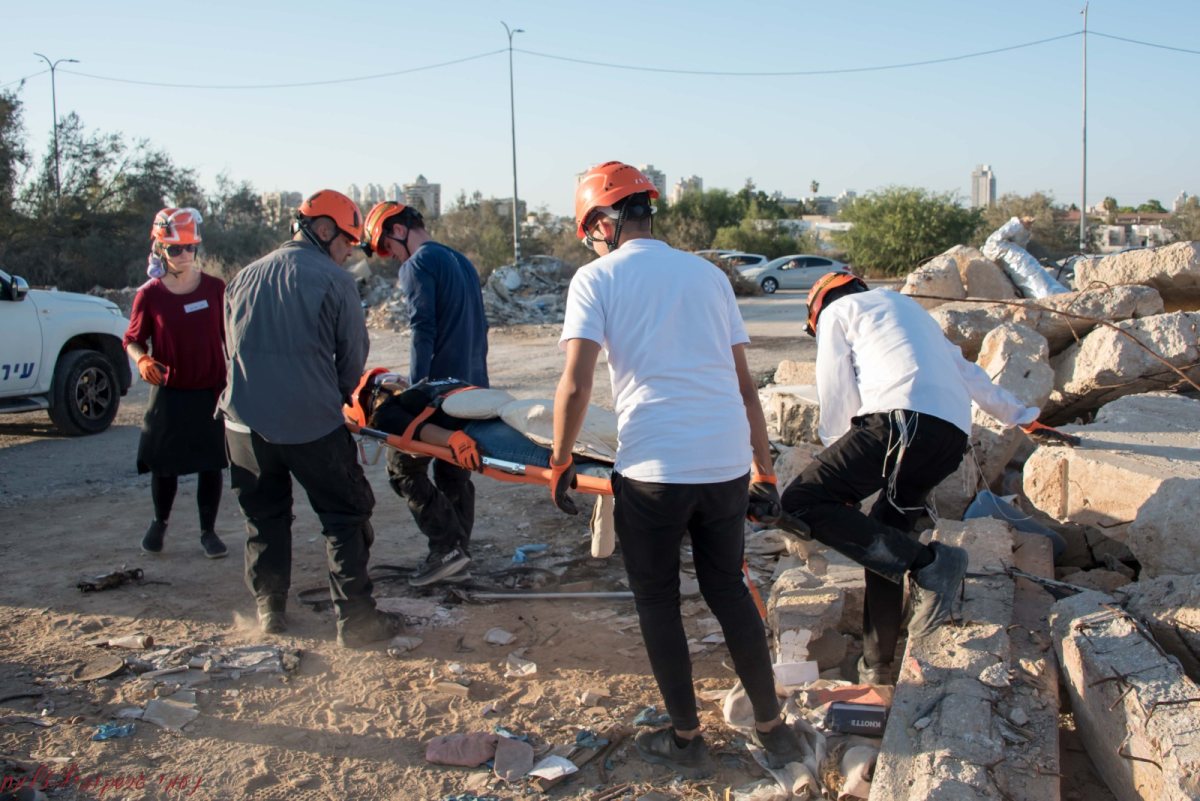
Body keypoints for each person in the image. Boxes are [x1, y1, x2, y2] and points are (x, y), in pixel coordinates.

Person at [550, 161, 805, 778]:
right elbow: (745, 388)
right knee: (727, 589)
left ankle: (687, 739)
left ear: (605, 221)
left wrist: (558, 462)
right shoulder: (709, 276)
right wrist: (763, 472)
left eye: (591, 230)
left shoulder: (595, 280)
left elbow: (577, 384)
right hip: (722, 466)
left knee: (658, 600)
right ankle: (774, 730)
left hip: (653, 470)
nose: (592, 242)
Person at [780, 271, 1055, 685]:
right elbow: (970, 374)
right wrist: (1023, 418)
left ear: (818, 308)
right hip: (948, 437)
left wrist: (843, 466)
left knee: (799, 501)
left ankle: (935, 562)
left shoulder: (839, 311)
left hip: (897, 425)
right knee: (886, 544)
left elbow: (835, 389)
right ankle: (879, 666)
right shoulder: (912, 311)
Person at [219, 190, 401, 648]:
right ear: (323, 230)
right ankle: (357, 623)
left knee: (263, 517)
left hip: (242, 425)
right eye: (346, 242)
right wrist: (338, 397)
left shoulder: (241, 278)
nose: (347, 253)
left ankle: (269, 611)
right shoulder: (334, 281)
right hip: (311, 425)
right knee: (345, 515)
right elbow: (352, 359)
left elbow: (230, 350)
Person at [360, 201, 489, 586]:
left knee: (403, 467)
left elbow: (423, 329)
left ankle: (446, 546)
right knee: (454, 471)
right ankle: (458, 553)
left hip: (441, 391)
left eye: (388, 246)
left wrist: (416, 391)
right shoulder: (460, 261)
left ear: (398, 230)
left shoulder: (417, 264)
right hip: (472, 388)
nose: (391, 256)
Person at [123, 207, 229, 559]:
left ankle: (208, 532)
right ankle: (159, 522)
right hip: (170, 391)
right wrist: (142, 359)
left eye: (190, 248)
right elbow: (133, 338)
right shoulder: (149, 294)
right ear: (158, 249)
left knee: (211, 463)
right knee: (164, 463)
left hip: (210, 390)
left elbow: (232, 336)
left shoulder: (216, 289)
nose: (184, 255)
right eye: (175, 249)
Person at [982, 214, 1069, 298]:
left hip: (1038, 281)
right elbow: (994, 240)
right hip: (1038, 286)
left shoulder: (1013, 248)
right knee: (1047, 291)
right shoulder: (997, 247)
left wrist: (1023, 226)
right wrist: (1019, 223)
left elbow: (1020, 241)